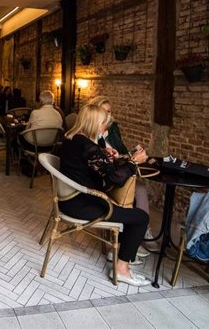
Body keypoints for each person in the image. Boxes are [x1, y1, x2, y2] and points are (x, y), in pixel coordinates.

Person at [59, 104, 151, 286]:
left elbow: (88, 163)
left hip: (70, 199)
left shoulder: (72, 139)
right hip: (81, 204)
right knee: (140, 217)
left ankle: (119, 255)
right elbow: (115, 179)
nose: (105, 128)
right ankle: (122, 269)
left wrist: (102, 153)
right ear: (94, 123)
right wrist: (133, 161)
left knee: (128, 213)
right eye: (103, 124)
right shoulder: (87, 146)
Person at [88, 95, 156, 253]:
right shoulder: (90, 135)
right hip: (103, 178)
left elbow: (123, 150)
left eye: (110, 112)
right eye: (104, 112)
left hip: (115, 169)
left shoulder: (113, 128)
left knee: (139, 188)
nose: (108, 116)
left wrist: (128, 156)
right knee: (135, 189)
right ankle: (124, 240)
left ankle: (139, 232)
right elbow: (100, 165)